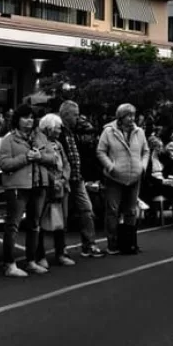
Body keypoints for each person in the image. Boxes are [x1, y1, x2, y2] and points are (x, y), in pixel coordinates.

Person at [0, 104, 55, 277]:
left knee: (34, 224)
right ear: (17, 120)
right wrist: (26, 158)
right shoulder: (9, 139)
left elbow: (53, 158)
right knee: (13, 225)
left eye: (31, 117)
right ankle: (9, 264)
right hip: (18, 186)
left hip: (38, 184)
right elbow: (4, 163)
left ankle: (31, 261)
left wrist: (40, 156)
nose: (29, 120)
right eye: (25, 117)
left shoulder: (41, 137)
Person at [96, 103, 149, 255]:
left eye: (133, 115)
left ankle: (130, 243)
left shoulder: (139, 132)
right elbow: (100, 151)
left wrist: (142, 167)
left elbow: (146, 151)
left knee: (131, 210)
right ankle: (112, 244)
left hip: (134, 176)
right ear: (120, 117)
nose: (132, 118)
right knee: (113, 210)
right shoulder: (108, 131)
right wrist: (111, 167)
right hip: (114, 178)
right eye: (128, 115)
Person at [57, 100, 104, 258]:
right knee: (62, 215)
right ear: (66, 115)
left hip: (77, 178)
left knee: (87, 210)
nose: (78, 118)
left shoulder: (73, 132)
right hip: (64, 179)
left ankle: (89, 244)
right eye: (75, 115)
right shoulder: (58, 132)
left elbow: (80, 154)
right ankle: (61, 249)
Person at [32, 113, 76, 269]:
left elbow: (66, 163)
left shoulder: (58, 143)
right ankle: (40, 255)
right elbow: (40, 164)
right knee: (41, 221)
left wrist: (64, 178)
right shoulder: (38, 142)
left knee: (61, 221)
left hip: (61, 187)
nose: (60, 131)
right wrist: (54, 180)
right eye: (57, 128)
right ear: (49, 128)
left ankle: (61, 252)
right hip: (46, 187)